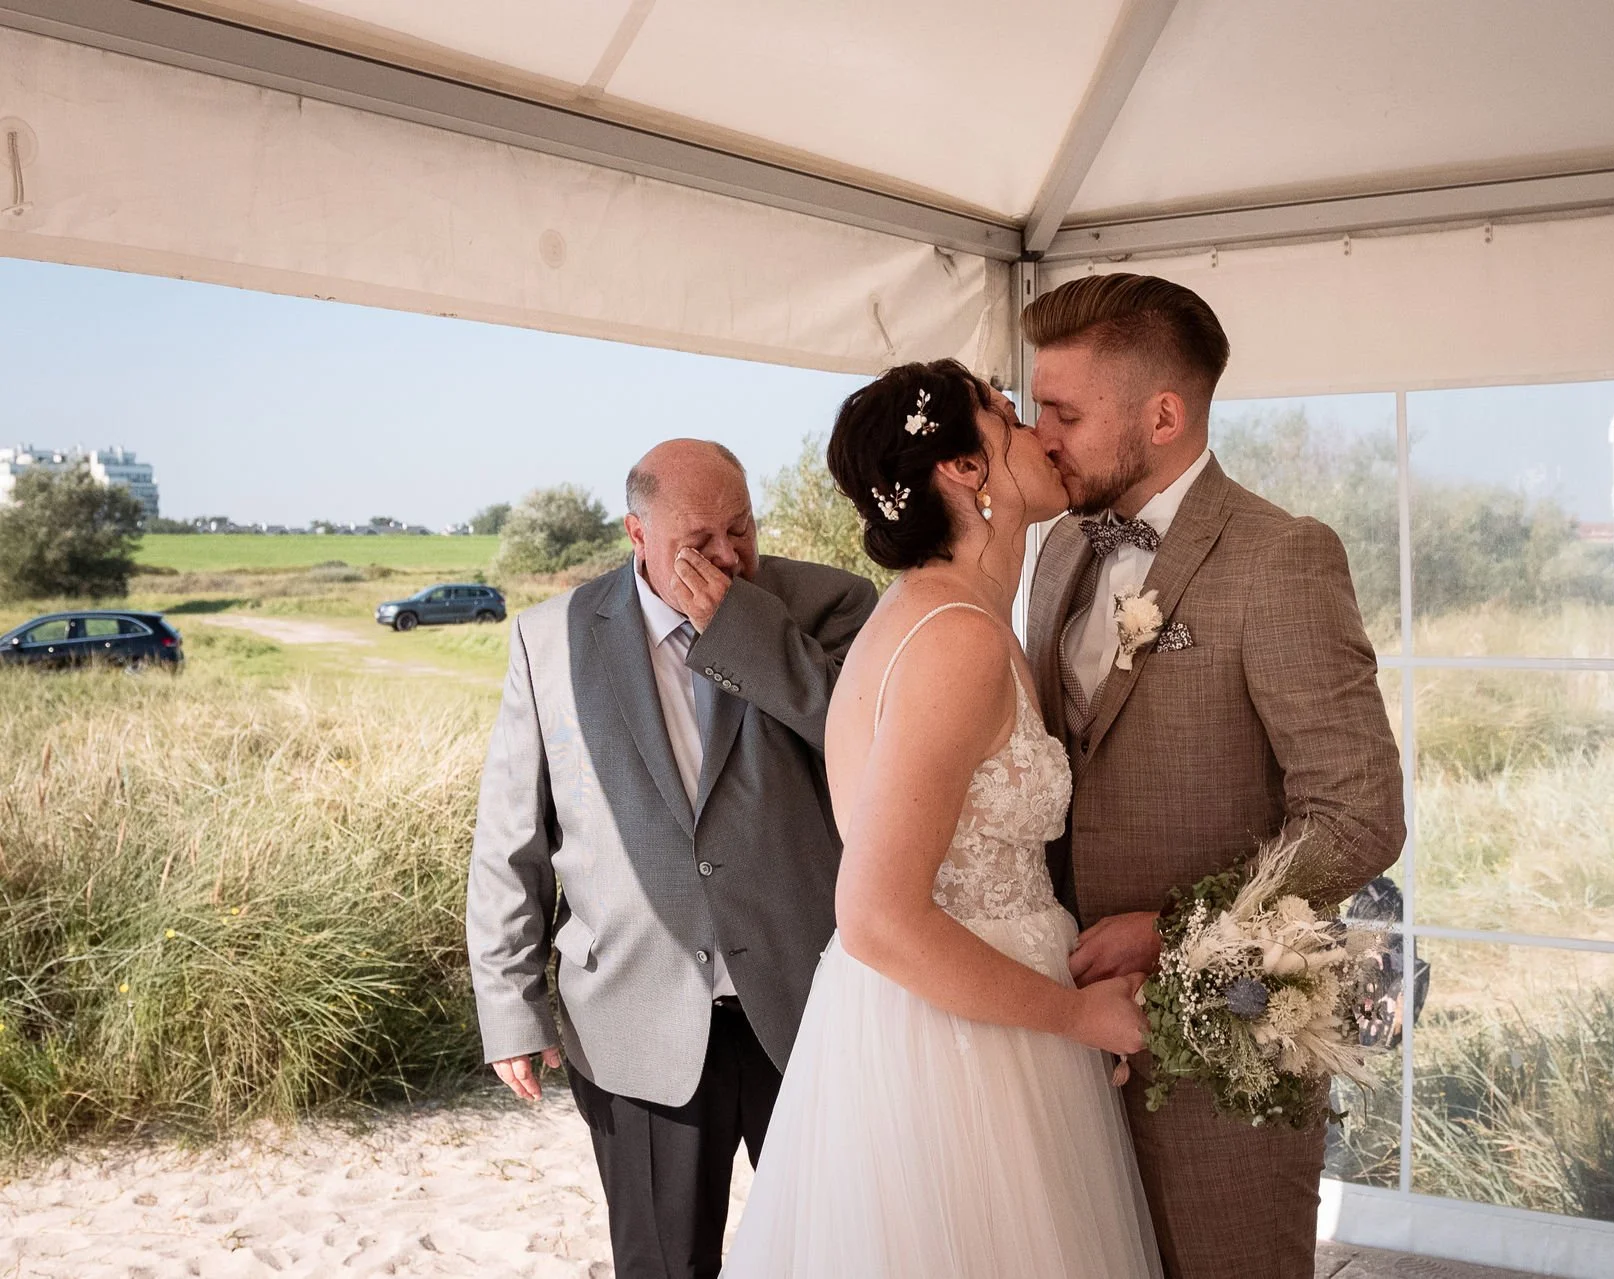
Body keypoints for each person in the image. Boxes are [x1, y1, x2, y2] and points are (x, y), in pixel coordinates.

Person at [721, 360, 1162, 1278]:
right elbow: (877, 914)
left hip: (980, 1022)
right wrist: (1076, 1018)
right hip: (961, 1056)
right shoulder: (953, 639)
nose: (1037, 424)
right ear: (964, 469)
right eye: (1005, 412)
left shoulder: (938, 616)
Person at [1023, 274, 1406, 1279]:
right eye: (1036, 407)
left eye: (1065, 412)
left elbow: (1359, 815)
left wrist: (1170, 928)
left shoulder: (1285, 558)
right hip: (1066, 1036)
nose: (1041, 435)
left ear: (1163, 414)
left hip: (1225, 1046)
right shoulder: (1057, 546)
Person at [466, 440, 878, 1279]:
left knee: (828, 1256)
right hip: (633, 1018)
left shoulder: (830, 604)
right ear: (637, 533)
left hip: (803, 1006)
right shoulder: (550, 641)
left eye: (741, 527)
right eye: (701, 537)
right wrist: (510, 1000)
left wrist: (743, 629)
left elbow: (867, 739)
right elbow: (512, 836)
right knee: (662, 1265)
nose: (728, 554)